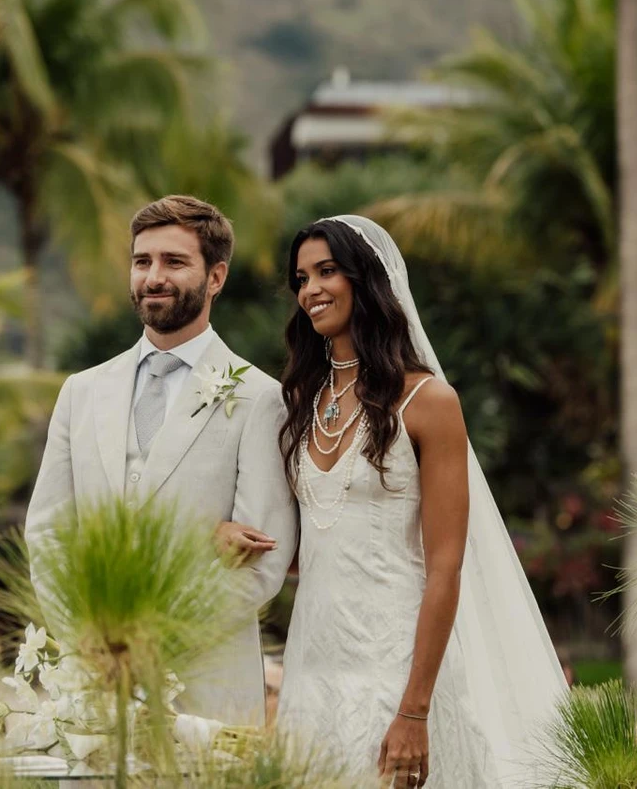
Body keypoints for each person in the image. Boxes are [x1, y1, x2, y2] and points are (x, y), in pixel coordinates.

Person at [233, 216, 567, 786]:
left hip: (399, 671)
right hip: (313, 671)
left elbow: (445, 565)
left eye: (327, 271)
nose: (310, 289)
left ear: (366, 280)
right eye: (301, 278)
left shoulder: (430, 402)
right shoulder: (298, 402)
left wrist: (414, 710)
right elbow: (313, 540)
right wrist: (229, 535)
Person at [24, 195, 298, 725]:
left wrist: (157, 640)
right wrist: (93, 640)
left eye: (174, 262)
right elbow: (48, 532)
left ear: (215, 277)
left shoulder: (260, 399)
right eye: (141, 261)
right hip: (94, 681)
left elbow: (264, 556)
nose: (154, 277)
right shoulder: (81, 391)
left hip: (206, 687)